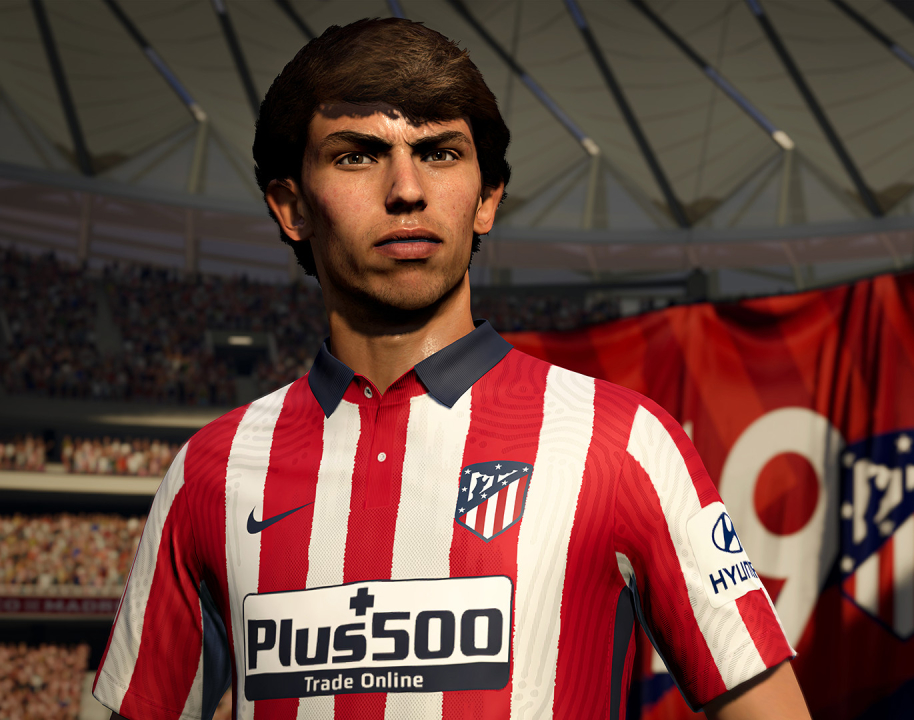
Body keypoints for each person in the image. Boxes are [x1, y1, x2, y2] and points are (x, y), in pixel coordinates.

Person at [94, 18, 808, 720]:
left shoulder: (624, 443)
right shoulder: (209, 472)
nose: (406, 189)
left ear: (487, 198)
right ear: (292, 207)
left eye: (438, 153)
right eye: (357, 156)